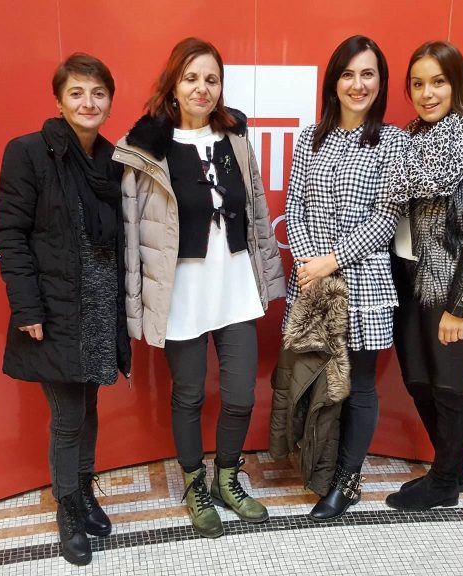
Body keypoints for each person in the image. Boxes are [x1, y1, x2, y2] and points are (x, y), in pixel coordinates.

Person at [112, 37, 285, 538]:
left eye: (211, 79)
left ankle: (227, 478)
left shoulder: (236, 139)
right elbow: (131, 232)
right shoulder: (145, 149)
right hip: (181, 293)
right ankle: (194, 485)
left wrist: (268, 273)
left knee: (239, 395)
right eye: (191, 78)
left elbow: (257, 212)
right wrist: (136, 301)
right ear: (173, 85)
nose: (201, 88)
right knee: (188, 395)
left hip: (235, 287)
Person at [0, 53, 129, 566]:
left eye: (97, 93)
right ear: (59, 101)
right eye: (76, 93)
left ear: (109, 101)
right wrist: (26, 306)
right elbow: (10, 233)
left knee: (88, 408)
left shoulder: (113, 160)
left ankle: (84, 491)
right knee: (68, 416)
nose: (88, 103)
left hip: (99, 306)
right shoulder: (28, 153)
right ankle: (67, 506)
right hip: (55, 310)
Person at [283, 35, 408, 521]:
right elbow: (294, 204)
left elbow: (385, 219)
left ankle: (346, 481)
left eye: (368, 74)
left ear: (381, 82)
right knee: (315, 375)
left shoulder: (394, 142)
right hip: (311, 282)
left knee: (358, 384)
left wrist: (330, 261)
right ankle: (317, 464)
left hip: (363, 284)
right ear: (333, 83)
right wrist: (308, 261)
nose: (358, 85)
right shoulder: (310, 137)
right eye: (348, 74)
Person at [384, 41, 463, 511]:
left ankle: (443, 482)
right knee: (417, 378)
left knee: (449, 385)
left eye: (438, 82)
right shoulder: (411, 138)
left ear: (457, 83)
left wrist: (459, 304)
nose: (427, 93)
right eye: (418, 84)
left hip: (451, 279)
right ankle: (453, 468)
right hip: (405, 274)